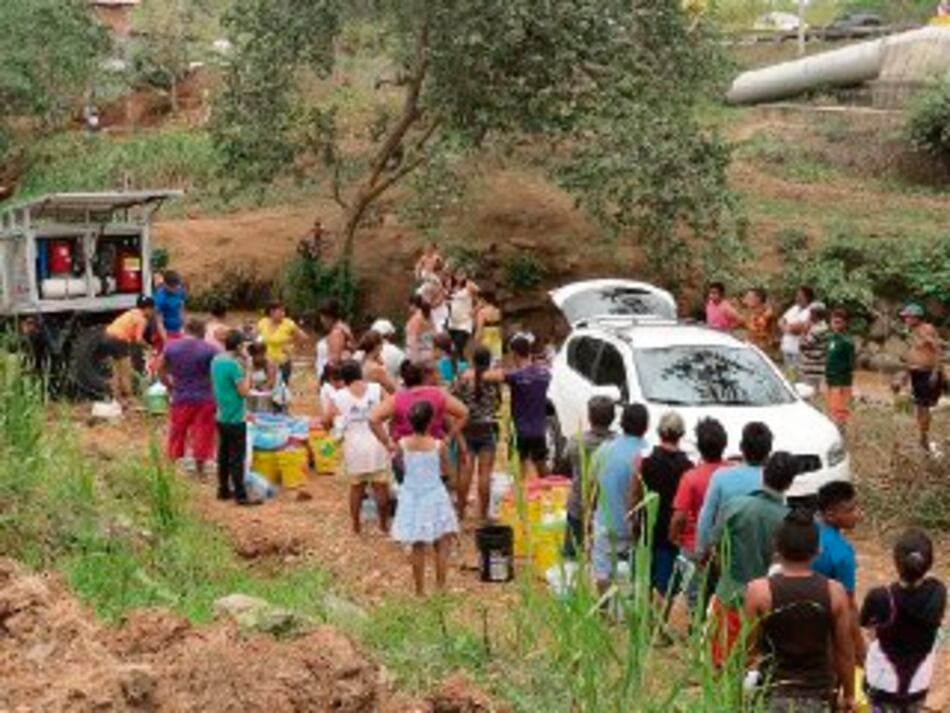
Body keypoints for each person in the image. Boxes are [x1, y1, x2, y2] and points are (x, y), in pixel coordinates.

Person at [744, 511, 856, 713]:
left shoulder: (759, 591)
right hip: (819, 694)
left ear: (777, 548)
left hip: (773, 694)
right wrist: (849, 695)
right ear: (818, 550)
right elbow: (844, 652)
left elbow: (749, 652)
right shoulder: (835, 592)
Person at [708, 451, 798, 668]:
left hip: (730, 595)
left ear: (764, 473)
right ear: (790, 483)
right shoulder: (789, 520)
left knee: (721, 667)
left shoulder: (735, 506)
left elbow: (716, 549)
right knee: (754, 668)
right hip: (768, 605)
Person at [861, 529, 947, 713]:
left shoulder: (880, 596)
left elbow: (868, 628)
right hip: (918, 682)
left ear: (896, 562)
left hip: (883, 682)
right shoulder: (939, 592)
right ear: (929, 562)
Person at [391, 400, 460, 597]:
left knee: (417, 544)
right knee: (442, 542)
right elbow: (450, 473)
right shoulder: (439, 446)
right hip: (435, 494)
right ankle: (440, 587)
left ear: (410, 422)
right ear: (431, 421)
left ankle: (419, 591)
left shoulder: (402, 444)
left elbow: (400, 466)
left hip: (412, 495)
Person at [370, 361, 469, 483]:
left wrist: (388, 443)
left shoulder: (397, 398)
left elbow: (373, 419)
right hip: (434, 451)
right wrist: (449, 437)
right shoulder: (438, 394)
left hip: (405, 454)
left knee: (409, 492)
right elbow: (464, 413)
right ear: (424, 376)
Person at [324, 360, 392, 535]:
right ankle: (383, 524)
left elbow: (326, 420)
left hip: (354, 448)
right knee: (381, 488)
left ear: (344, 379)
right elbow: (392, 407)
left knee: (356, 489)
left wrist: (333, 428)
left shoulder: (338, 397)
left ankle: (356, 525)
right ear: (360, 374)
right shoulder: (376, 389)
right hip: (378, 444)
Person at [670, 417, 729, 612]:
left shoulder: (690, 477)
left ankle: (697, 634)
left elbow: (679, 516)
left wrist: (674, 538)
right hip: (725, 546)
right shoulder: (733, 472)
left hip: (694, 546)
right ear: (724, 444)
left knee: (695, 599)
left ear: (699, 446)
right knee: (723, 597)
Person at [633, 411, 694, 598]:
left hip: (647, 527)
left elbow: (635, 493)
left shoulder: (645, 461)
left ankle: (645, 619)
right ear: (681, 435)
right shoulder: (688, 467)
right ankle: (660, 623)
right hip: (671, 534)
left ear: (659, 432)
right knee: (665, 586)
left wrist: (633, 520)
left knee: (643, 581)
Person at [592, 403, 650, 590]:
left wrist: (589, 516)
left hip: (605, 523)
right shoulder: (648, 453)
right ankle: (631, 615)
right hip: (636, 529)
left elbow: (592, 487)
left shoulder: (604, 450)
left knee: (603, 574)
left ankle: (603, 615)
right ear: (646, 426)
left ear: (621, 423)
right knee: (634, 579)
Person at [696, 421, 773, 557]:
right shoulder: (773, 480)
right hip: (760, 555)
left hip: (727, 555)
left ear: (741, 447)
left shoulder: (721, 477)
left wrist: (702, 551)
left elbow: (706, 518)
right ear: (768, 451)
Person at [813, 480, 866, 665]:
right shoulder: (842, 553)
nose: (858, 514)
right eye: (849, 510)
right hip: (825, 628)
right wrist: (859, 647)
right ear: (830, 514)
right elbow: (849, 604)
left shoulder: (803, 530)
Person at [158, 318, 218, 477]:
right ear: (203, 332)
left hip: (181, 396)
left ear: (185, 329)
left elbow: (160, 369)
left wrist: (170, 386)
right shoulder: (211, 349)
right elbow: (216, 374)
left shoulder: (171, 347)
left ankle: (170, 469)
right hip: (205, 398)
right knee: (202, 433)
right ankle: (200, 470)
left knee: (178, 432)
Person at [562, 396, 616, 559]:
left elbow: (564, 467)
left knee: (572, 554)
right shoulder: (619, 443)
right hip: (609, 507)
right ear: (613, 418)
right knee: (605, 558)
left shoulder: (576, 441)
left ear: (589, 417)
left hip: (579, 503)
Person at [453, 347, 502, 523]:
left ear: (473, 360)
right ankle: (482, 514)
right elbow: (497, 403)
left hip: (467, 428)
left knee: (465, 472)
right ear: (488, 361)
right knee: (485, 474)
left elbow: (453, 400)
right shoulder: (493, 379)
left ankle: (460, 513)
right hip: (487, 428)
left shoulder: (463, 378)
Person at [211, 330, 258, 506]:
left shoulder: (216, 360)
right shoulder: (234, 365)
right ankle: (241, 495)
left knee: (223, 454)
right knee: (237, 457)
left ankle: (223, 489)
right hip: (235, 416)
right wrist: (248, 369)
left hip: (221, 413)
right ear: (239, 346)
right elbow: (244, 392)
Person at [895, 303, 944, 453]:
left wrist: (935, 371)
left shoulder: (927, 329)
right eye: (905, 317)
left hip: (927, 373)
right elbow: (912, 354)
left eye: (907, 317)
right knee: (919, 407)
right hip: (916, 372)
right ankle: (922, 439)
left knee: (923, 407)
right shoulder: (912, 331)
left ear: (916, 317)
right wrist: (906, 374)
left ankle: (924, 439)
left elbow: (937, 350)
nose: (905, 320)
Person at [506, 335, 552, 478]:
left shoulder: (515, 376)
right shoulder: (545, 374)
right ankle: (547, 494)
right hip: (539, 429)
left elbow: (492, 376)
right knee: (541, 465)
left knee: (520, 468)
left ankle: (521, 497)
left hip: (520, 430)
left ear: (514, 353)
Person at [103, 295, 156, 405]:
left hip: (107, 336)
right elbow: (139, 339)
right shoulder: (142, 319)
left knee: (116, 370)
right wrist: (149, 347)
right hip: (118, 340)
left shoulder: (131, 312)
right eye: (152, 309)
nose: (152, 313)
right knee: (126, 370)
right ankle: (129, 398)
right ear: (147, 309)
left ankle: (115, 398)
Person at [257, 301, 306, 386]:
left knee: (281, 390)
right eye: (281, 311)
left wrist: (294, 349)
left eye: (284, 311)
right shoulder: (262, 323)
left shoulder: (288, 323)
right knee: (266, 387)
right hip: (266, 362)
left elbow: (303, 337)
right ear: (272, 312)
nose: (283, 313)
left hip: (282, 362)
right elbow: (258, 339)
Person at [826, 308, 855, 430]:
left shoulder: (847, 341)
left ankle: (840, 432)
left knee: (840, 410)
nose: (835, 325)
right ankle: (834, 430)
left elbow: (851, 363)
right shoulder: (831, 338)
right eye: (833, 321)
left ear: (845, 323)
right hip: (830, 379)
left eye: (839, 322)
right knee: (832, 407)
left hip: (841, 380)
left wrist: (844, 379)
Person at [779, 286, 816, 376]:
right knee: (788, 376)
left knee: (798, 377)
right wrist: (788, 327)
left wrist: (787, 327)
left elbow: (799, 328)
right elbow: (780, 321)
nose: (797, 298)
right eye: (797, 295)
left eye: (800, 296)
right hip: (787, 348)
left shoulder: (811, 310)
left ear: (808, 297)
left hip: (799, 351)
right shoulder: (794, 308)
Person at [315, 299, 354, 382]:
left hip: (331, 380)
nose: (321, 320)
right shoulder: (342, 328)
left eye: (323, 316)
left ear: (330, 316)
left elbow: (334, 362)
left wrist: (324, 381)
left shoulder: (336, 333)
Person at [247, 342, 289, 412]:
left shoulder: (269, 364)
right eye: (256, 355)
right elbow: (248, 379)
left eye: (260, 355)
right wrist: (251, 386)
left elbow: (271, 382)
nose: (258, 357)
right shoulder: (250, 363)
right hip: (257, 393)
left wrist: (262, 388)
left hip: (275, 394)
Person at [447, 267, 478, 359]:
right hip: (453, 322)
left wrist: (474, 310)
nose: (459, 277)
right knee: (455, 349)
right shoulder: (451, 286)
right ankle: (459, 368)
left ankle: (462, 366)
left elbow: (481, 300)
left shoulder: (469, 286)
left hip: (465, 321)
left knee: (459, 344)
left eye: (462, 274)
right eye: (457, 274)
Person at [800, 302, 830, 391]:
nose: (809, 315)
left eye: (810, 313)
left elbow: (803, 345)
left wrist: (804, 329)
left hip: (813, 369)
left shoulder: (819, 329)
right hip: (812, 368)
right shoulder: (818, 326)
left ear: (815, 314)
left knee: (810, 394)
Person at [154, 270, 186, 342]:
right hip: (167, 332)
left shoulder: (180, 291)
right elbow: (159, 322)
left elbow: (181, 309)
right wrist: (166, 340)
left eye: (177, 286)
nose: (176, 289)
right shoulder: (160, 299)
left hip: (179, 330)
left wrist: (183, 327)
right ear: (165, 285)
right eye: (173, 287)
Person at [474, 289, 503, 365]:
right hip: (496, 339)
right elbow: (499, 327)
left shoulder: (482, 312)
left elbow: (479, 329)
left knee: (485, 362)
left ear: (483, 300)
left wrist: (476, 339)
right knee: (496, 362)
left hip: (486, 338)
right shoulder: (497, 310)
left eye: (479, 300)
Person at [744, 287, 776, 354]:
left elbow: (757, 330)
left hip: (761, 351)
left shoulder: (767, 313)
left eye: (749, 298)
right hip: (751, 348)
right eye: (746, 297)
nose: (746, 300)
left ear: (758, 299)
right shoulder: (752, 313)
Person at [405, 295, 436, 365]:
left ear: (413, 305)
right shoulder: (428, 317)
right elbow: (434, 334)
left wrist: (415, 361)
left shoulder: (416, 319)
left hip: (418, 353)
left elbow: (414, 339)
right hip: (428, 351)